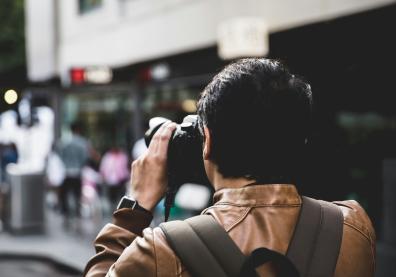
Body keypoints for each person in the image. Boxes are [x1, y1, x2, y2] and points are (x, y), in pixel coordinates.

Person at [84, 59, 376, 276]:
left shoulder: (161, 251)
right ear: (300, 140)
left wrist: (133, 210)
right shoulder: (352, 227)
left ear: (207, 140)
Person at [58, 122, 92, 220]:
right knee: (77, 194)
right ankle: (77, 212)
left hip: (67, 172)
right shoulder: (83, 142)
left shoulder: (65, 142)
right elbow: (85, 157)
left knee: (64, 193)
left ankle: (66, 212)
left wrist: (66, 164)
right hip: (78, 172)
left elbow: (60, 155)